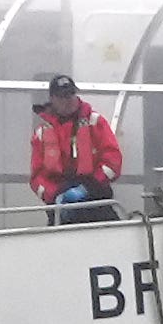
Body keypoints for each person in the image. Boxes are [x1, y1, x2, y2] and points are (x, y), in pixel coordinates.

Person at [28, 74, 122, 223]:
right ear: (52, 99)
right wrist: (55, 196)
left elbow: (113, 161)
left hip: (97, 203)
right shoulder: (42, 133)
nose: (69, 100)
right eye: (63, 96)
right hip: (61, 210)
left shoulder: (95, 122)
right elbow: (37, 176)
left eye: (71, 94)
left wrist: (87, 188)